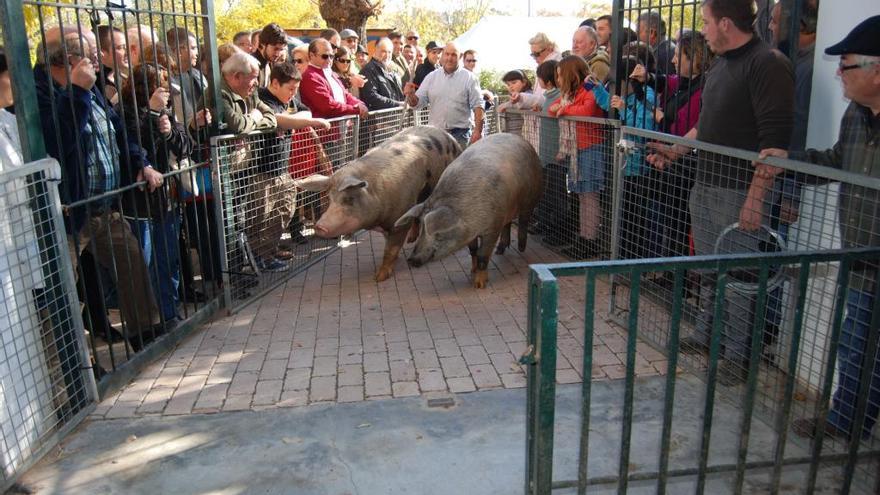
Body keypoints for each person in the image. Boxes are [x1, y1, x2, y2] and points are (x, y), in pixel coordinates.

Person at [647, 0, 794, 386]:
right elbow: (705, 125)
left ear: (726, 23)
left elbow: (774, 144)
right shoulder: (721, 65)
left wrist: (756, 198)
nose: (704, 31)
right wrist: (675, 149)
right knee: (712, 268)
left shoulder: (767, 64)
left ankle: (738, 356)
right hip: (707, 183)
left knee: (741, 278)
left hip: (738, 192)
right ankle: (707, 335)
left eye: (707, 23)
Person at [758, 15, 880, 441]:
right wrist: (788, 161)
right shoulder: (857, 115)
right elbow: (835, 161)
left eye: (845, 65)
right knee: (856, 344)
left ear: (877, 70)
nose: (837, 74)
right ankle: (848, 423)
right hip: (862, 257)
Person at [35, 29, 162, 351]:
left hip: (105, 206)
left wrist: (141, 162)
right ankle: (73, 365)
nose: (98, 61)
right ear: (67, 60)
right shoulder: (41, 93)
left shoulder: (91, 92)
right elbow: (58, 142)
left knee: (132, 262)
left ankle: (144, 337)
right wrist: (76, 91)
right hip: (67, 213)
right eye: (92, 55)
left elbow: (119, 134)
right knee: (62, 290)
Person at [119, 63, 193, 327]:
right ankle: (151, 321)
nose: (166, 94)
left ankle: (170, 311)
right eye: (160, 86)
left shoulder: (167, 114)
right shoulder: (126, 113)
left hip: (168, 199)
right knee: (147, 262)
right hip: (141, 203)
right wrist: (151, 115)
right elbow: (136, 147)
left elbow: (186, 146)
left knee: (169, 258)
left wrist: (170, 131)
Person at [549, 56, 606, 259]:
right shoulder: (569, 94)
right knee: (581, 196)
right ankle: (583, 236)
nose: (558, 79)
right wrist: (563, 108)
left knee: (589, 195)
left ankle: (590, 239)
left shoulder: (588, 89)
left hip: (590, 147)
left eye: (560, 74)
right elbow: (552, 107)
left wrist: (564, 110)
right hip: (576, 149)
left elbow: (588, 110)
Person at [404, 42, 485, 148]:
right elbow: (417, 104)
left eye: (453, 55)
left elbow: (478, 106)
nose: (449, 58)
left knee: (459, 165)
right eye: (447, 54)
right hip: (435, 137)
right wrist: (411, 95)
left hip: (461, 136)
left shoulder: (470, 78)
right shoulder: (431, 77)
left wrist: (478, 131)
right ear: (442, 55)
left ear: (460, 56)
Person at [299, 38, 368, 119]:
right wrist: (355, 109)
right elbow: (327, 106)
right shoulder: (310, 76)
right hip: (323, 129)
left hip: (340, 127)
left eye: (331, 56)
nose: (329, 60)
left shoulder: (330, 72)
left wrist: (360, 104)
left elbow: (345, 95)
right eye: (324, 56)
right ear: (311, 55)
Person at [359, 38, 405, 110]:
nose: (387, 55)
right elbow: (371, 97)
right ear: (375, 50)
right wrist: (396, 104)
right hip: (377, 118)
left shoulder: (392, 71)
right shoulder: (368, 70)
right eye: (383, 51)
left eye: (389, 52)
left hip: (394, 117)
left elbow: (399, 95)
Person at [95, 25, 128, 104]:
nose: (127, 52)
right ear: (101, 53)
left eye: (126, 47)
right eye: (120, 47)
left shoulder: (124, 77)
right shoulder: (94, 84)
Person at [638, 10, 677, 76]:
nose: (637, 36)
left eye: (639, 31)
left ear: (651, 32)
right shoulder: (668, 47)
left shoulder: (661, 55)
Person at [497, 70, 533, 136]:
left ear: (524, 82)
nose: (510, 86)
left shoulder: (529, 95)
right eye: (508, 84)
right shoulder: (514, 96)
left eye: (514, 83)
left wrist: (505, 105)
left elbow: (519, 103)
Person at [254, 23, 288, 88]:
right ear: (263, 44)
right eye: (275, 49)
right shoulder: (251, 66)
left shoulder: (270, 63)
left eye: (281, 49)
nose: (278, 54)